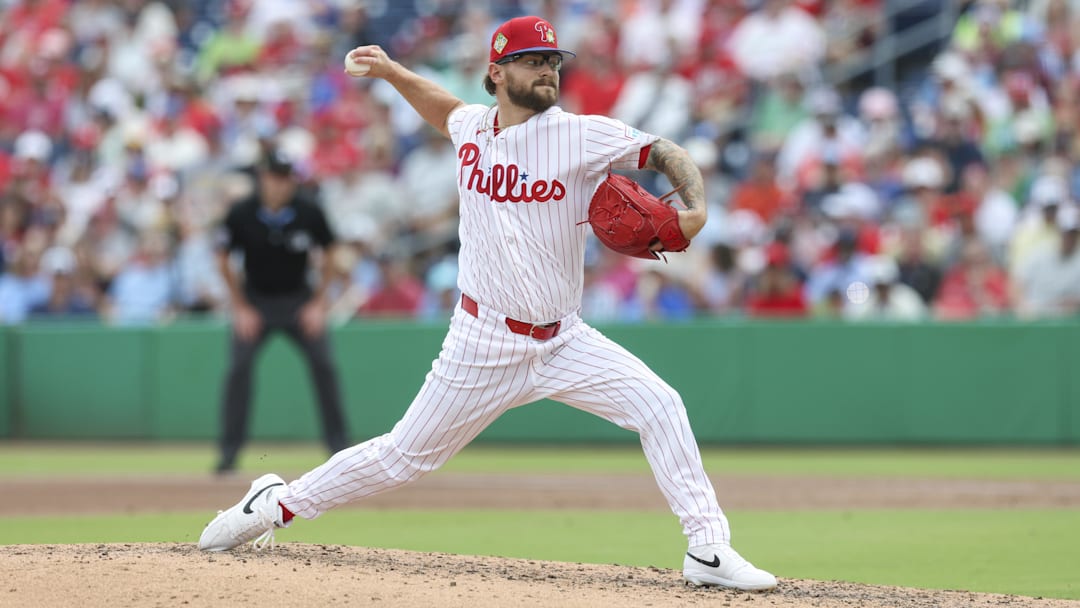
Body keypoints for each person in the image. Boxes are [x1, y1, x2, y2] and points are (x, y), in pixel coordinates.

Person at [197, 16, 777, 592]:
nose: (548, 69)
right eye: (533, 61)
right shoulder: (472, 126)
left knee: (660, 405)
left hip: (564, 339)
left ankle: (707, 548)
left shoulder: (578, 133)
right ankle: (275, 504)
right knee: (403, 458)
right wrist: (394, 70)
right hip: (481, 342)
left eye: (553, 61)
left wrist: (694, 207)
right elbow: (444, 109)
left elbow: (665, 152)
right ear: (497, 73)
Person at [212, 148, 349, 474]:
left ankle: (340, 450)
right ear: (262, 178)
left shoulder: (308, 210)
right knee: (238, 369)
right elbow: (222, 258)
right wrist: (241, 307)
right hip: (255, 301)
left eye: (286, 178)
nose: (280, 184)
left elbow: (331, 253)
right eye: (274, 177)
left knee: (324, 366)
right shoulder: (242, 213)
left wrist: (318, 303)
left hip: (299, 301)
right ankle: (229, 454)